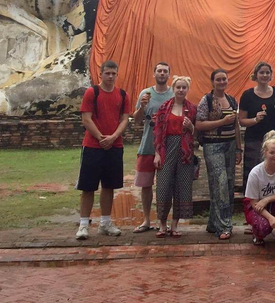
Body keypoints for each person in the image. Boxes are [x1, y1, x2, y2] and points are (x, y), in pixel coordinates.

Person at [75, 60, 133, 240]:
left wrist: (113, 137)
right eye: (107, 73)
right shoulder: (93, 92)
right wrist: (101, 137)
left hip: (114, 146)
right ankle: (84, 224)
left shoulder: (122, 95)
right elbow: (86, 119)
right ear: (101, 74)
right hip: (93, 145)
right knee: (88, 186)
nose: (110, 76)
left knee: (109, 186)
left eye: (113, 73)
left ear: (117, 74)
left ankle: (105, 223)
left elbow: (125, 120)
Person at [196, 69, 243, 240]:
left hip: (230, 146)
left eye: (224, 79)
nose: (222, 82)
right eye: (218, 79)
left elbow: (236, 126)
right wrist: (221, 122)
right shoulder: (206, 100)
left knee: (228, 185)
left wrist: (239, 148)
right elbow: (199, 124)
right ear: (212, 82)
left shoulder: (231, 100)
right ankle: (224, 226)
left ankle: (213, 222)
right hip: (213, 146)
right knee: (220, 182)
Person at [152, 75, 198, 238]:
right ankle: (162, 224)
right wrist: (157, 153)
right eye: (178, 87)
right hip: (166, 148)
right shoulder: (164, 107)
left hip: (185, 151)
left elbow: (197, 132)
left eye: (184, 87)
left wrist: (191, 126)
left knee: (181, 186)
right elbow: (157, 131)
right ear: (173, 89)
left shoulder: (192, 108)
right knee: (164, 186)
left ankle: (175, 225)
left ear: (187, 89)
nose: (181, 90)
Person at [131, 61, 171, 233]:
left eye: (165, 71)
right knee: (146, 185)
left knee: (165, 185)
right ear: (154, 74)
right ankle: (146, 220)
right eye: (159, 71)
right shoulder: (145, 93)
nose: (162, 74)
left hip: (167, 147)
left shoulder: (173, 93)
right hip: (147, 145)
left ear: (169, 75)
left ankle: (163, 221)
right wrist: (143, 107)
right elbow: (137, 119)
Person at [243, 130, 275, 249]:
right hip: (258, 205)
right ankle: (258, 235)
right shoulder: (255, 173)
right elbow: (253, 202)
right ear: (265, 153)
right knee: (262, 227)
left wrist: (267, 200)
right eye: (272, 152)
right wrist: (269, 217)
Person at [238, 61, 275, 193]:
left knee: (273, 170)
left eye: (267, 72)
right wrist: (255, 119)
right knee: (254, 172)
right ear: (256, 75)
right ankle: (252, 202)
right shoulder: (247, 95)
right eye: (261, 72)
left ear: (271, 76)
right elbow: (241, 121)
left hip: (274, 141)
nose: (264, 75)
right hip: (254, 140)